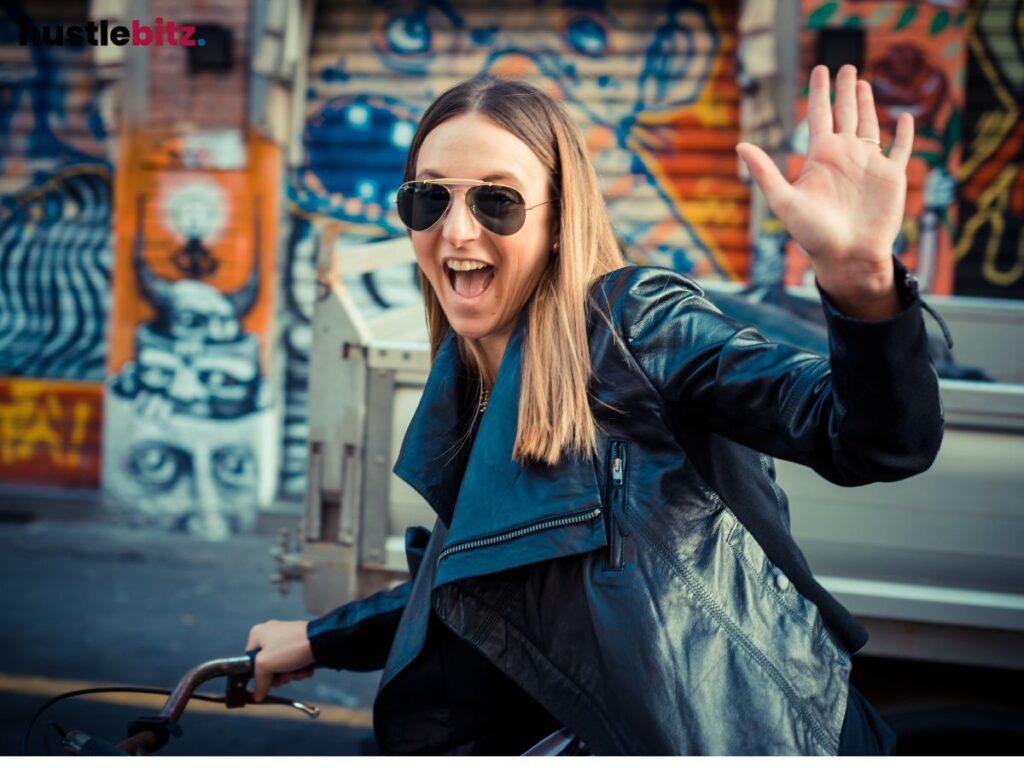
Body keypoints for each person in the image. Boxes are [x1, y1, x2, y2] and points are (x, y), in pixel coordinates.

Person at [245, 66, 943, 755]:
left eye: (497, 201)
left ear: (558, 220)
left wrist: (862, 284)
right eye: (429, 198)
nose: (456, 231)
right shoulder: (468, 373)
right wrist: (319, 637)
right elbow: (489, 579)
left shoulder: (635, 324)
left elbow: (868, 439)